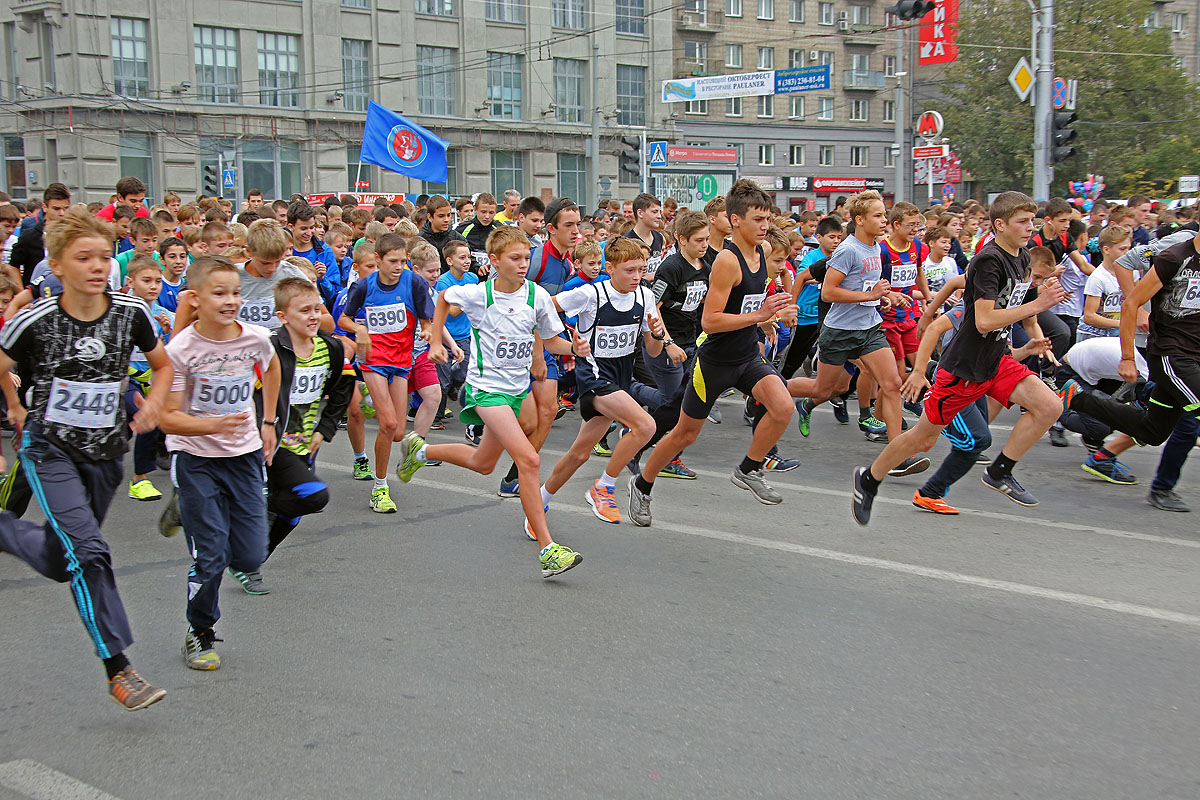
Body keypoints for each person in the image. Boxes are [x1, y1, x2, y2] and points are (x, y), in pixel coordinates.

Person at [0, 208, 171, 710]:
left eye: (103, 257)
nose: (98, 267)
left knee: (64, 559)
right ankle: (119, 669)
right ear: (56, 265)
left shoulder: (130, 313)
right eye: (83, 258)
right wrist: (13, 402)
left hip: (106, 455)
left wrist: (156, 402)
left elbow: (160, 365)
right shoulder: (36, 319)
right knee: (90, 552)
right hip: (49, 450)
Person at [851, 191, 1069, 526]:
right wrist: (1038, 305)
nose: (1030, 227)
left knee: (1050, 406)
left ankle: (1000, 471)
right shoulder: (989, 260)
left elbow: (1009, 306)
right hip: (963, 368)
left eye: (1032, 220)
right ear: (1000, 224)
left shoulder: (1022, 257)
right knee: (922, 440)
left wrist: (1038, 307)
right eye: (1022, 221)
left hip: (995, 360)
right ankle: (869, 479)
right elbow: (984, 320)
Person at [627, 179, 798, 527]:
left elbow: (746, 303)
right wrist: (760, 315)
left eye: (768, 218)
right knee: (683, 434)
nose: (765, 225)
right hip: (715, 362)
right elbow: (712, 320)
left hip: (747, 355)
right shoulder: (727, 262)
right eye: (757, 219)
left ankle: (749, 468)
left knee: (782, 407)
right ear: (735, 221)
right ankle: (642, 485)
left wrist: (768, 313)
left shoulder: (761, 254)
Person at [420, 226, 587, 578]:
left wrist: (574, 348)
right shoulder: (480, 295)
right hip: (486, 390)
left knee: (483, 463)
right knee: (528, 459)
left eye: (527, 257)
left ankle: (420, 451)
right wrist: (436, 339)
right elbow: (443, 299)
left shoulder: (536, 296)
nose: (524, 264)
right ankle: (547, 548)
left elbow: (552, 340)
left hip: (517, 389)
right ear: (494, 261)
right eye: (515, 258)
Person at [159, 255, 280, 669]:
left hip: (244, 455)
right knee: (210, 555)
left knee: (249, 555)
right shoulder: (181, 350)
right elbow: (167, 416)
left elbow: (273, 366)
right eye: (219, 293)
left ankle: (188, 511)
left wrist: (267, 421)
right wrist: (210, 425)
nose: (231, 301)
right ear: (194, 298)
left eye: (235, 292)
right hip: (196, 459)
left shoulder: (255, 338)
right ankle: (199, 631)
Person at [788, 191, 923, 468]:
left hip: (869, 328)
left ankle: (897, 454)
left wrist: (883, 298)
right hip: (839, 330)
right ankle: (765, 388)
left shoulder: (876, 246)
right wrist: (871, 296)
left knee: (893, 383)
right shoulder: (848, 249)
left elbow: (864, 288)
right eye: (878, 215)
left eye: (884, 215)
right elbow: (828, 292)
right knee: (824, 389)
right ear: (859, 220)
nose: (884, 220)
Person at [537, 237, 663, 525]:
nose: (636, 277)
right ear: (610, 268)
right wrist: (551, 343)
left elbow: (652, 351)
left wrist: (655, 334)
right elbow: (544, 307)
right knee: (646, 425)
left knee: (579, 454)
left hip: (620, 380)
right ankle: (604, 487)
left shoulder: (645, 297)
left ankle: (539, 502)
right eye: (629, 270)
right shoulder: (589, 294)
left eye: (641, 270)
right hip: (593, 377)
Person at [253, 278, 353, 591]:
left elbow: (342, 387)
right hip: (268, 441)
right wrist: (262, 425)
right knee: (313, 494)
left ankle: (252, 562)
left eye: (316, 309)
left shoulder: (331, 348)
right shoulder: (269, 348)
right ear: (282, 316)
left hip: (303, 443)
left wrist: (324, 429)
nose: (313, 316)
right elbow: (249, 392)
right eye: (303, 311)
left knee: (294, 512)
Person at [1059, 230, 1200, 450]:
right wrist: (1127, 357)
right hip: (1172, 355)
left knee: (1152, 431)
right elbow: (1130, 303)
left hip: (1195, 356)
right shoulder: (1175, 257)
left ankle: (1078, 398)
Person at [337, 233, 434, 513]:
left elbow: (426, 319)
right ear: (378, 259)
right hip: (374, 360)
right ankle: (380, 489)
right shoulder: (364, 286)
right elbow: (343, 318)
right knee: (389, 424)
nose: (398, 267)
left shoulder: (413, 282)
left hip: (402, 360)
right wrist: (361, 329)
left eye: (403, 261)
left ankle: (370, 400)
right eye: (392, 261)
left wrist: (428, 332)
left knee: (398, 432)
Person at [495, 198, 580, 497]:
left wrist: (572, 344)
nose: (576, 231)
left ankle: (516, 475)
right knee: (526, 416)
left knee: (549, 410)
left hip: (545, 342)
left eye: (578, 224)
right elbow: (515, 299)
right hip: (519, 345)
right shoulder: (536, 259)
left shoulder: (567, 263)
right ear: (551, 228)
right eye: (568, 225)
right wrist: (535, 352)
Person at [124, 255, 174, 502]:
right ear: (129, 281)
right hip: (125, 379)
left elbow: (173, 352)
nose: (153, 286)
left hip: (152, 379)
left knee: (148, 419)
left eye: (157, 281)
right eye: (146, 280)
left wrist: (167, 332)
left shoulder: (164, 314)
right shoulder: (120, 311)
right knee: (138, 418)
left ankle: (139, 478)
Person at [433, 240, 478, 422]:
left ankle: (454, 385)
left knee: (464, 374)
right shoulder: (443, 281)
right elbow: (450, 311)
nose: (467, 261)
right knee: (442, 380)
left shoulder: (472, 279)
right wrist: (468, 299)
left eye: (469, 257)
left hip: (465, 335)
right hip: (446, 335)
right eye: (462, 257)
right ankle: (436, 416)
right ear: (450, 260)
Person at [1076, 226, 1132, 342]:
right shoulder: (1098, 278)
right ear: (1106, 250)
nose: (1127, 253)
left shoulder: (1132, 272)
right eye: (1122, 249)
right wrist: (1122, 323)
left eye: (1128, 249)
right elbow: (1089, 316)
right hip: (1094, 335)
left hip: (1118, 333)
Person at [11, 183, 71, 285]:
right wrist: (22, 291)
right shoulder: (30, 236)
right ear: (45, 207)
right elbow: (13, 266)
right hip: (36, 295)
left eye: (65, 208)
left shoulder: (73, 235)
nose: (62, 213)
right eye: (56, 209)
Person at [419, 196, 468, 273]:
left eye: (448, 215)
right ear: (430, 217)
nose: (446, 220)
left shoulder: (458, 238)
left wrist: (478, 268)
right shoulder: (420, 240)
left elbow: (469, 260)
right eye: (441, 216)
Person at [624, 193, 666, 281]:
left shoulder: (659, 237)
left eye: (659, 212)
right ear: (640, 213)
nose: (659, 216)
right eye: (654, 212)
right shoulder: (627, 241)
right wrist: (651, 277)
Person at [115, 217, 160, 282]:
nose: (151, 245)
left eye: (154, 240)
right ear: (132, 241)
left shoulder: (159, 259)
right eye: (145, 241)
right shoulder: (121, 260)